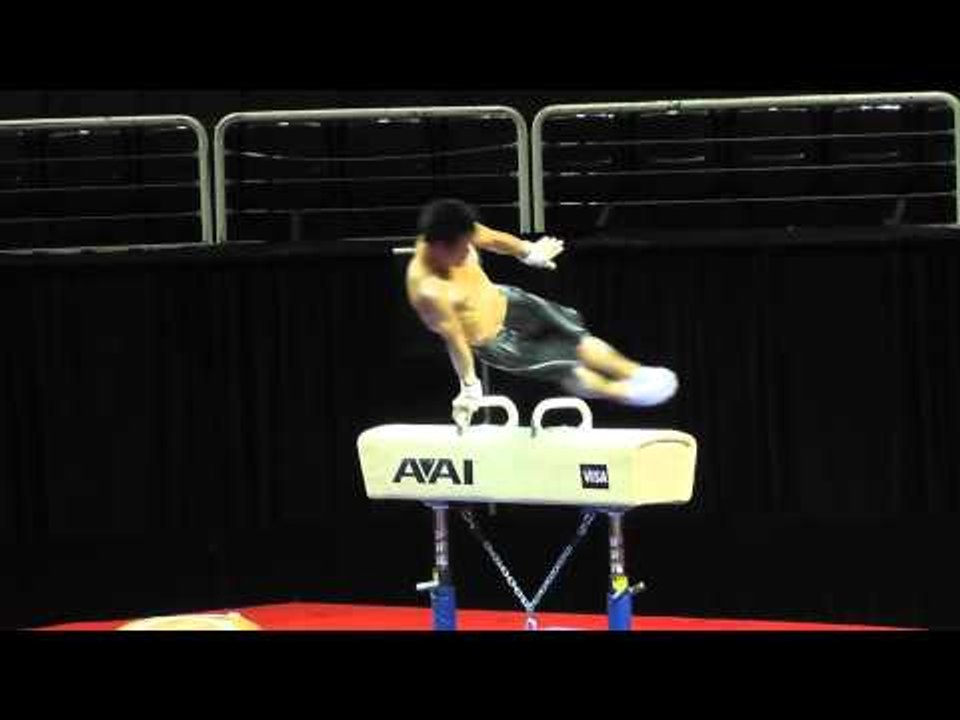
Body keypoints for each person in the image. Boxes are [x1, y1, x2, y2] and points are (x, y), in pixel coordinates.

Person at [405, 199, 678, 428]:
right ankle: (624, 393)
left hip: (510, 301)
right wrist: (469, 385)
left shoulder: (456, 229)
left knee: (580, 340)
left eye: (469, 244)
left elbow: (495, 240)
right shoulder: (428, 290)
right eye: (462, 247)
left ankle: (636, 374)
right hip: (498, 343)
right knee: (568, 367)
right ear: (439, 247)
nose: (468, 250)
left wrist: (528, 251)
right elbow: (455, 340)